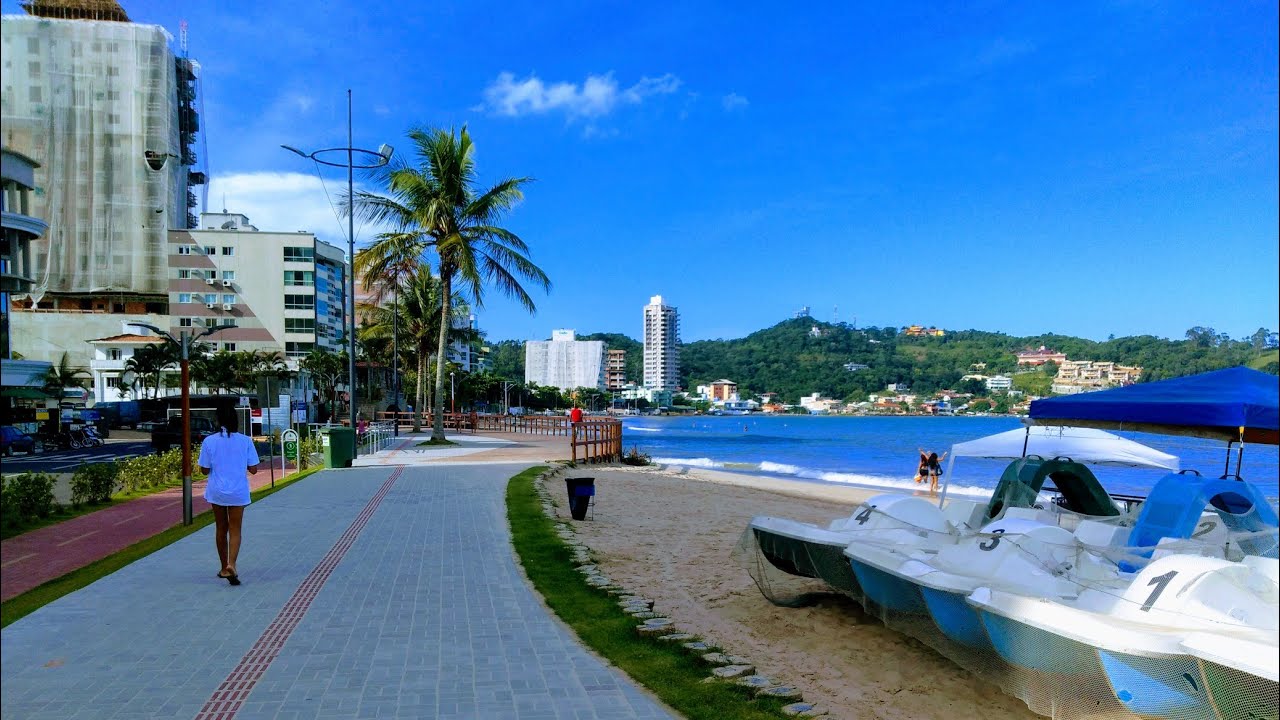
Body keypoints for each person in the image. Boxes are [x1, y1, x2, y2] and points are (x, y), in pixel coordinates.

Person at [198, 405, 260, 586]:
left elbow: (204, 470)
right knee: (235, 529)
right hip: (238, 491)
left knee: (220, 528)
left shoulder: (209, 441)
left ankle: (224, 567)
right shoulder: (245, 441)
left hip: (217, 491)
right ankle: (232, 564)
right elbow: (254, 469)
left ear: (218, 420)